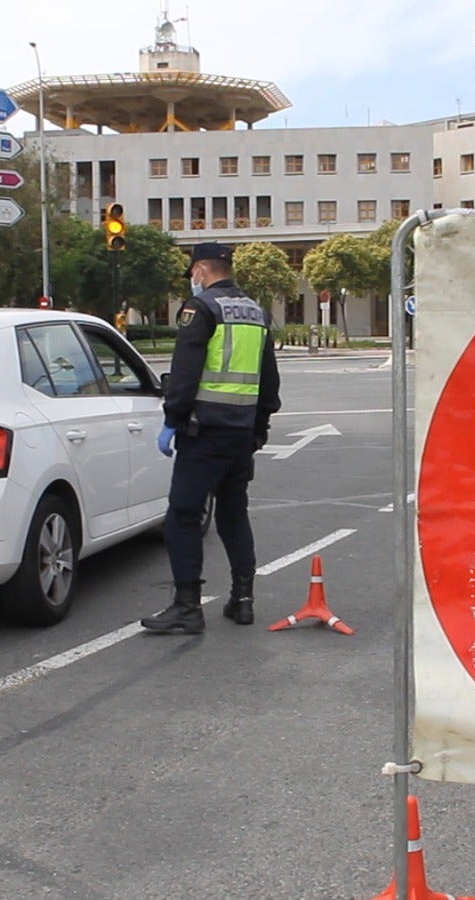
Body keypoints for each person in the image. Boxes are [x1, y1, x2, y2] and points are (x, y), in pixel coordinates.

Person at [141, 242, 281, 635]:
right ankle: (243, 600)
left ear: (202, 269)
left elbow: (184, 375)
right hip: (241, 434)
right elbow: (268, 381)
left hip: (203, 433)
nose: (192, 279)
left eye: (193, 272)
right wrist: (259, 427)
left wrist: (172, 419)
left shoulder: (199, 309)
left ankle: (187, 607)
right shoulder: (256, 312)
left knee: (183, 517)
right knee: (233, 514)